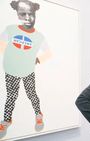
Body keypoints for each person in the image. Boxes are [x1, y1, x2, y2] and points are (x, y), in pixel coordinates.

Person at [0, 0, 52, 134]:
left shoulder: (39, 36)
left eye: (30, 14)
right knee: (11, 96)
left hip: (28, 72)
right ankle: (6, 120)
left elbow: (48, 53)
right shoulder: (10, 30)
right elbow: (1, 46)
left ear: (35, 14)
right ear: (17, 14)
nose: (27, 17)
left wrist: (38, 60)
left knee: (32, 94)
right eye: (23, 14)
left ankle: (38, 114)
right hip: (11, 71)